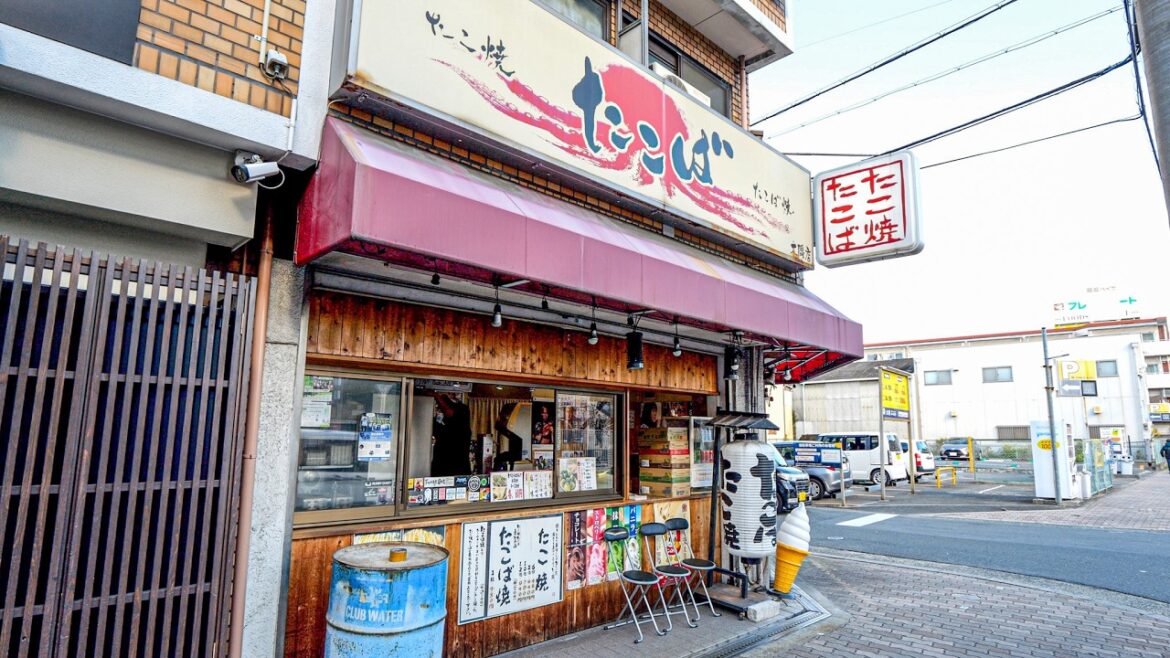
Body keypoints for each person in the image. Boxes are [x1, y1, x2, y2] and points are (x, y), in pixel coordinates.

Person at [431, 394, 472, 477]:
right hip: (452, 472)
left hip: (452, 471)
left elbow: (448, 411)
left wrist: (435, 395)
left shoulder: (461, 429)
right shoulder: (450, 427)